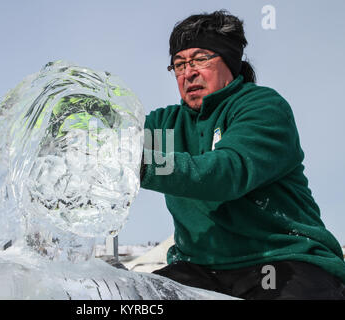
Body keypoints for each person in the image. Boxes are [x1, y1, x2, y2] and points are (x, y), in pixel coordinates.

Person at [140, 10, 345, 300]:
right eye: (179, 64)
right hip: (200, 269)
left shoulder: (262, 108)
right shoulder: (165, 126)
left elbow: (227, 172)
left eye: (200, 59)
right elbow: (115, 142)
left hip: (282, 259)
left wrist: (141, 164)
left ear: (230, 61)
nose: (188, 73)